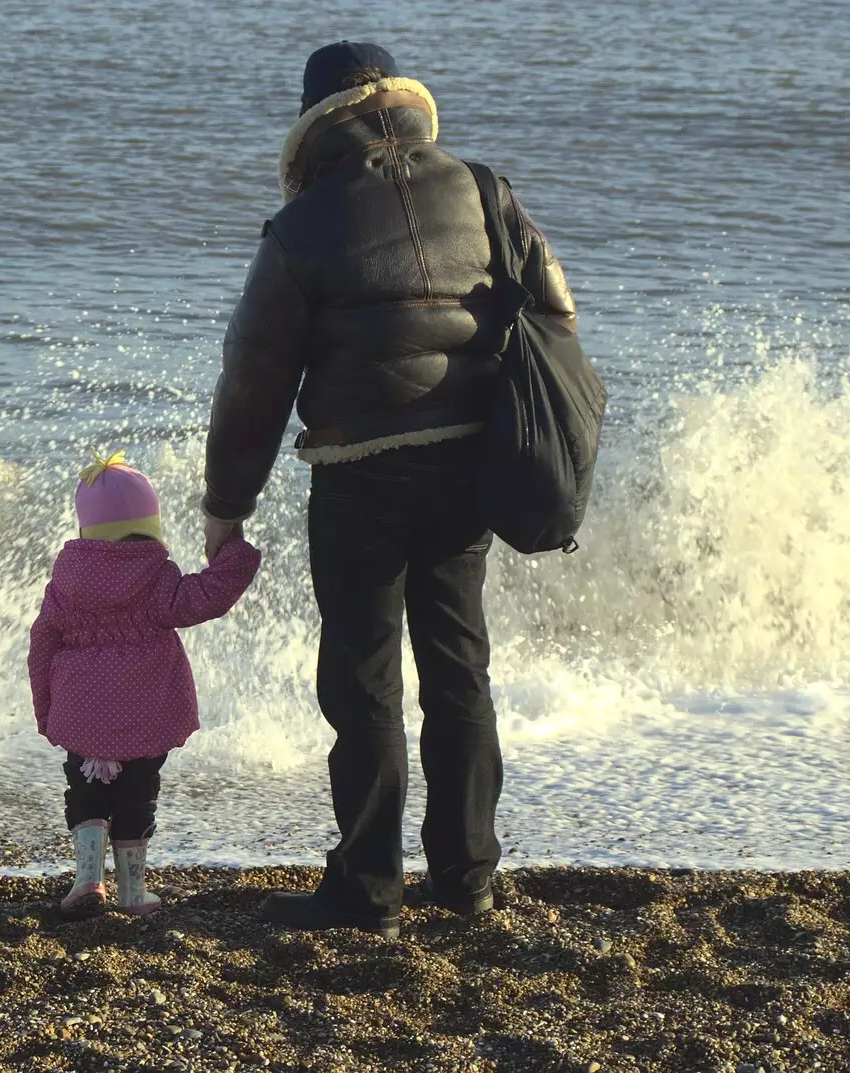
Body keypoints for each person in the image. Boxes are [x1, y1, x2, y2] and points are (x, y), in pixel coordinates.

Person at [201, 42, 577, 938]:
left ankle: (368, 887)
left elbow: (254, 379)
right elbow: (556, 311)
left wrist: (227, 504)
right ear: (404, 111)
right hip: (465, 467)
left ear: (316, 129)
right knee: (458, 670)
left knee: (362, 681)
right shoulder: (484, 190)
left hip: (358, 477)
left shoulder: (299, 229)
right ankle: (469, 876)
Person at [30, 450, 261, 915]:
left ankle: (86, 884)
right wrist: (232, 552)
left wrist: (46, 705)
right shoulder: (157, 578)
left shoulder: (65, 581)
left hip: (81, 712)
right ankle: (132, 894)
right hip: (145, 709)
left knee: (85, 790)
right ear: (150, 522)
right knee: (138, 794)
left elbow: (42, 645)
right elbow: (206, 597)